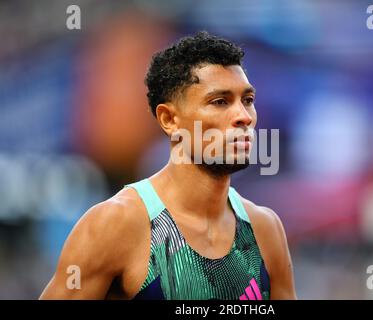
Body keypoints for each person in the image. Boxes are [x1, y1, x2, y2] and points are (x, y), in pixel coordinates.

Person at [40, 31, 297, 300]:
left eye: (247, 101)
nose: (243, 117)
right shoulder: (116, 224)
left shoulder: (264, 229)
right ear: (169, 119)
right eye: (220, 102)